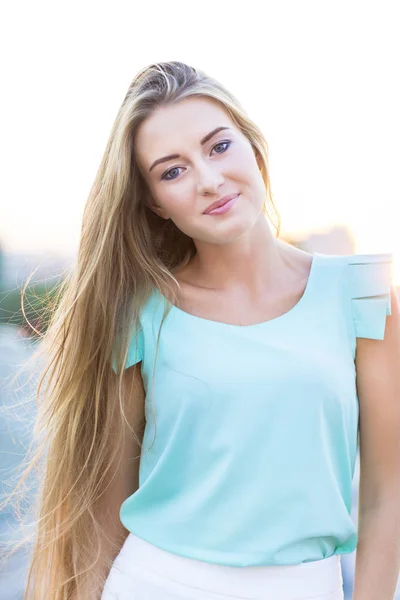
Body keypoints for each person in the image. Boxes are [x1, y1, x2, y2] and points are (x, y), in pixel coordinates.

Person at [5, 61, 400, 600]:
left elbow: (387, 493)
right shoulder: (139, 311)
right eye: (173, 171)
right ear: (153, 204)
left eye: (218, 146)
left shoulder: (364, 293)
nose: (210, 180)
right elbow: (101, 514)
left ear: (253, 147)